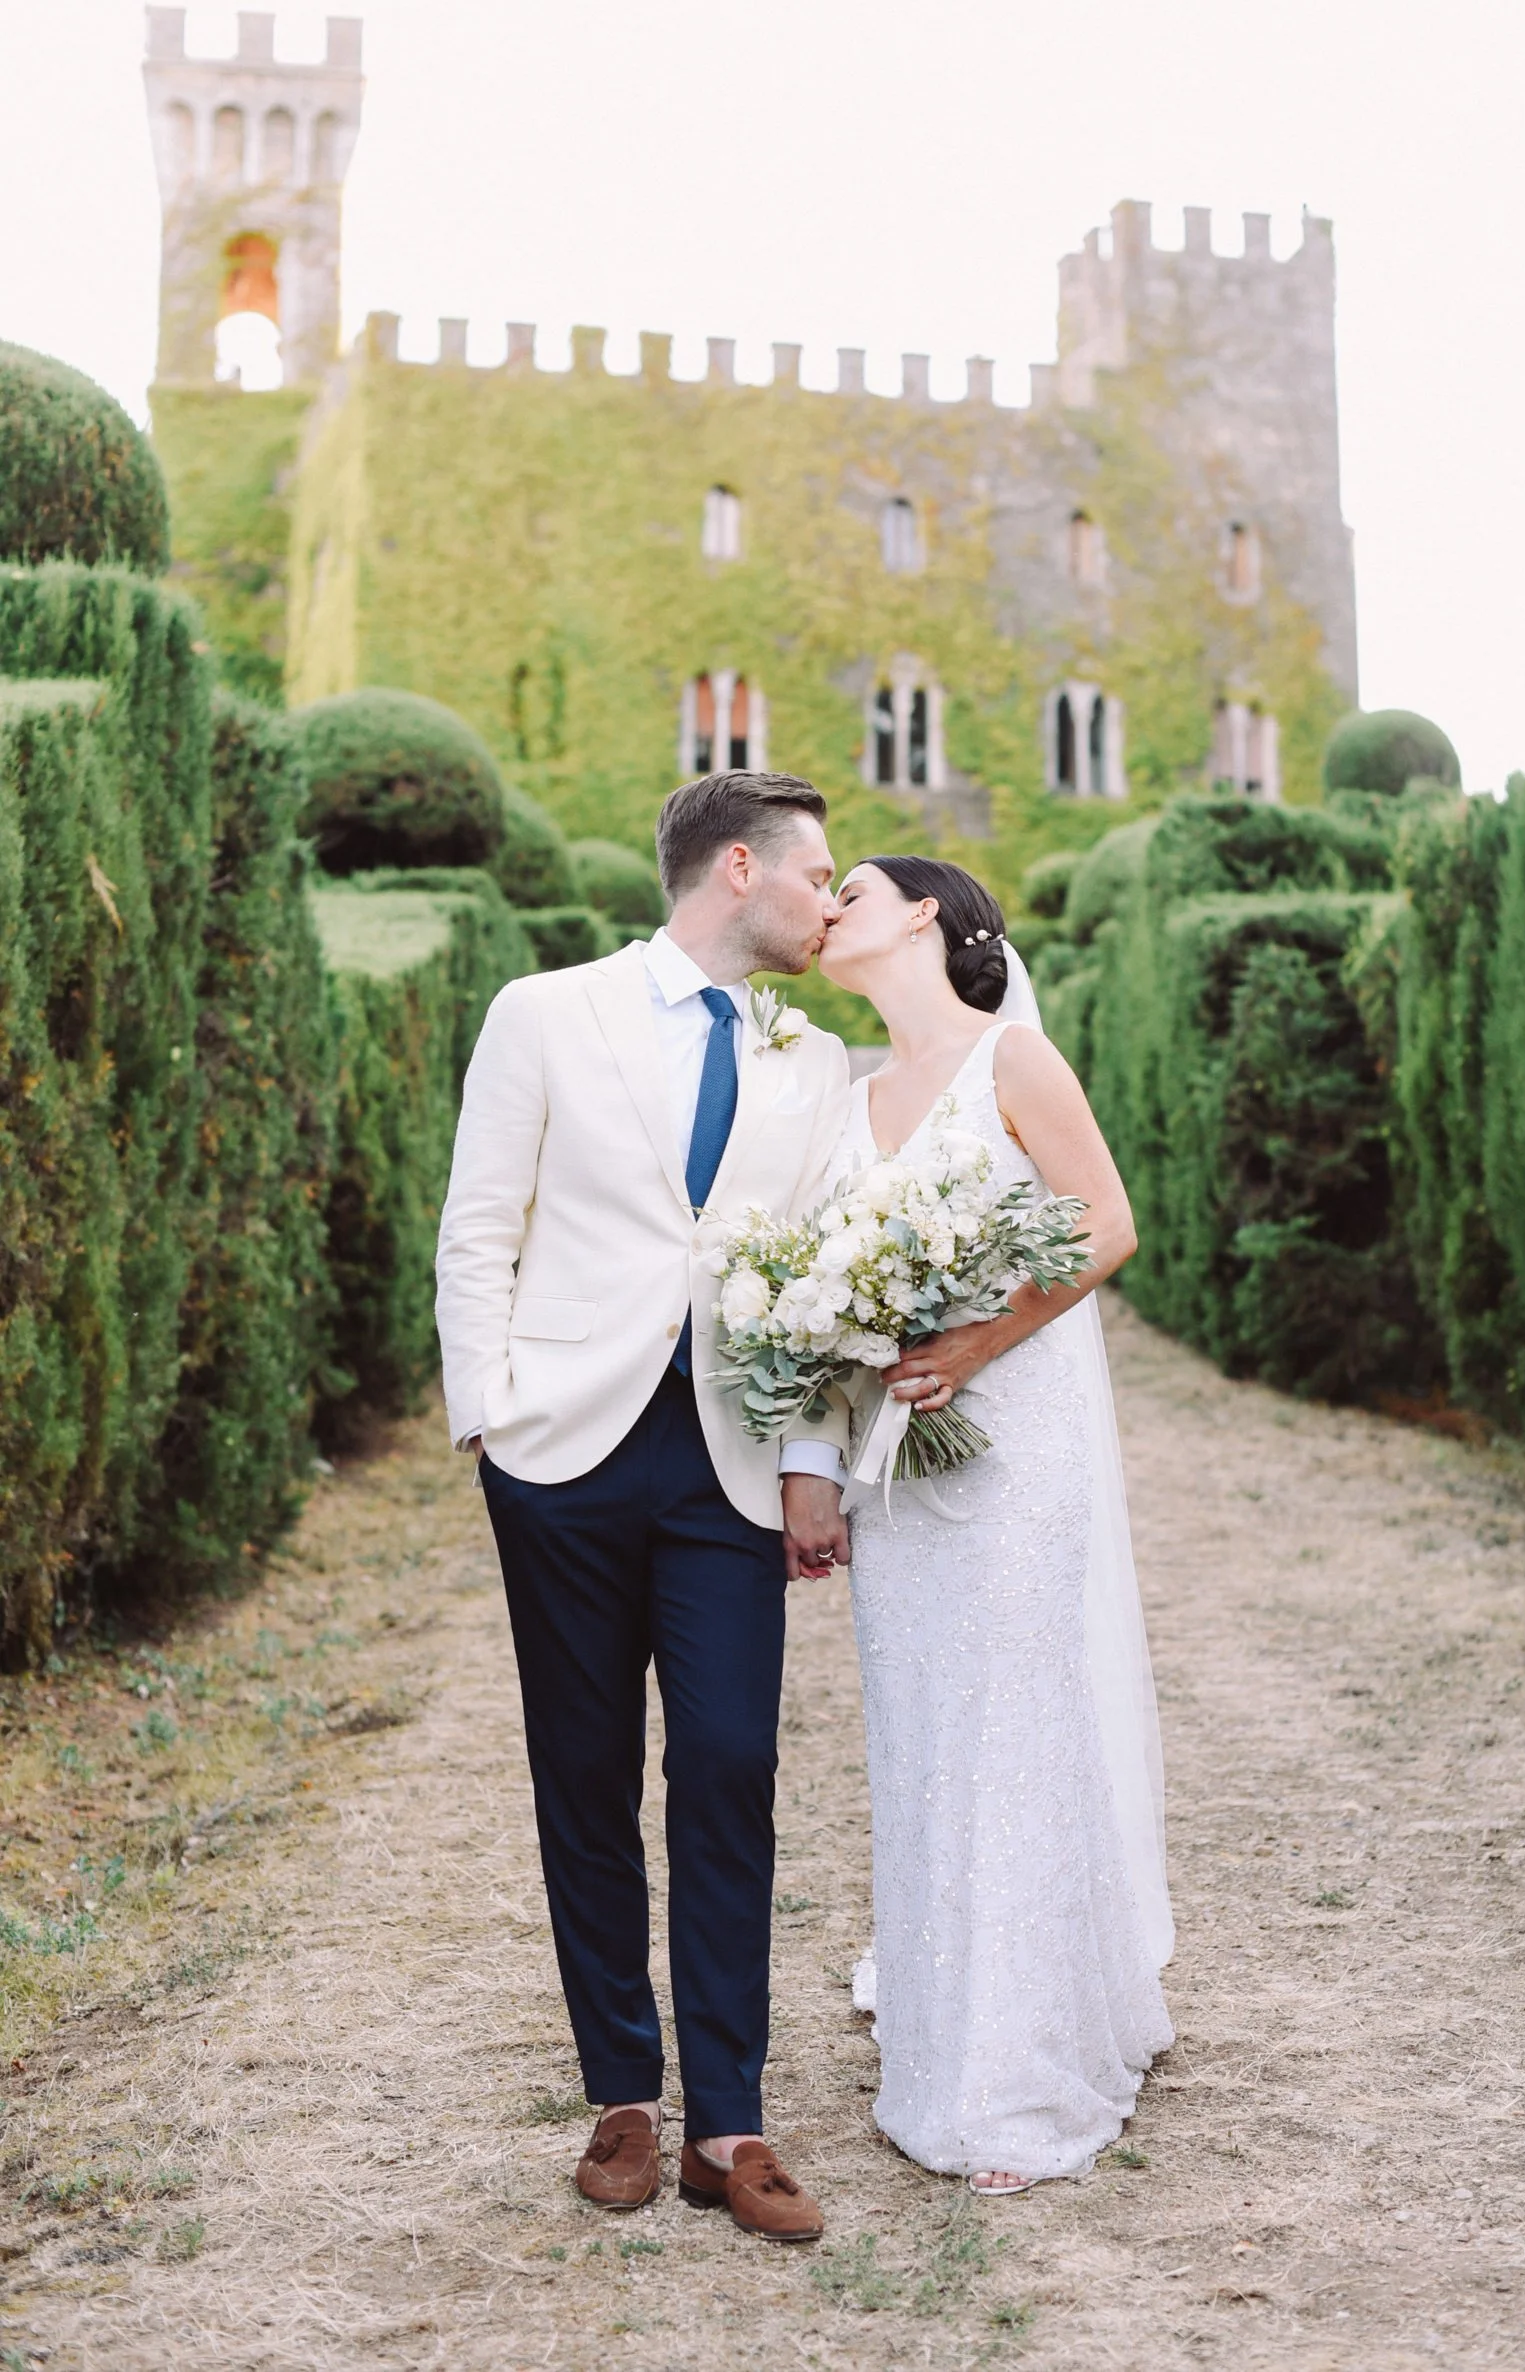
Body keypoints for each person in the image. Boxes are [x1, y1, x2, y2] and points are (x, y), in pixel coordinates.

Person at [434, 769, 856, 2242]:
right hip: (563, 1452)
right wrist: (485, 1411)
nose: (833, 901)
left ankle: (728, 2123)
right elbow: (479, 1221)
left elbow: (821, 1285)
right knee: (586, 1770)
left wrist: (815, 1459)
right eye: (819, 876)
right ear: (739, 869)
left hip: (730, 1462)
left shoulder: (817, 1060)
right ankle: (622, 2092)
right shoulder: (546, 1014)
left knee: (733, 1766)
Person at [817, 854, 1174, 2192]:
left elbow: (1105, 1223)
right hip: (900, 1463)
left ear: (925, 913)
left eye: (851, 883)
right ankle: (942, 2018)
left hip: (1018, 1446)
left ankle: (1015, 2078)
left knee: (1013, 1724)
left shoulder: (1013, 1060)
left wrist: (973, 1344)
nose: (828, 905)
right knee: (924, 1730)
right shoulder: (850, 1106)